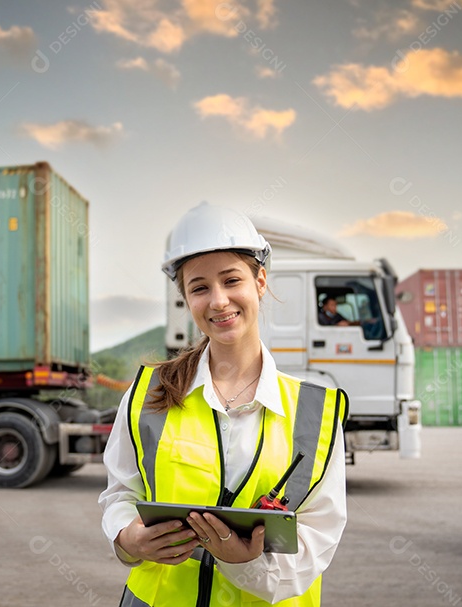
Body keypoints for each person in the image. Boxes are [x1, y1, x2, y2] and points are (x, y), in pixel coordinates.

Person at [99, 202, 349, 606]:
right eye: (199, 287)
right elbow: (120, 495)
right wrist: (130, 540)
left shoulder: (314, 414)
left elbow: (317, 542)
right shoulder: (149, 394)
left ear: (260, 281)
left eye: (232, 280)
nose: (218, 301)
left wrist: (242, 563)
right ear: (186, 298)